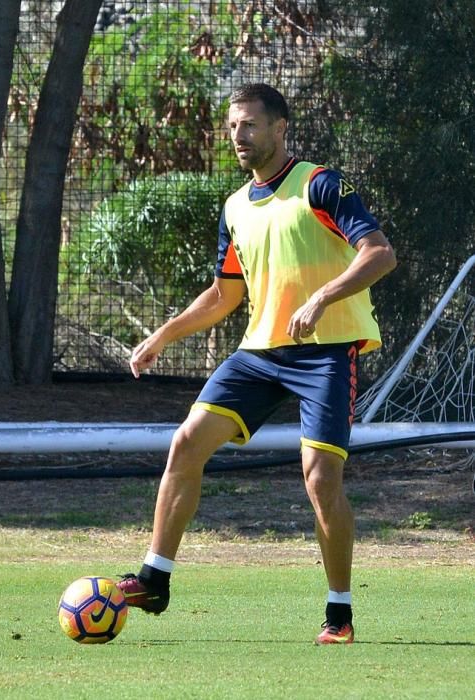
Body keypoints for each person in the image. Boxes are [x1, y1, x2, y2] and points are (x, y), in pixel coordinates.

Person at [117, 83, 396, 645]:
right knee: (186, 443)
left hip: (325, 352)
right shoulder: (235, 206)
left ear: (279, 129)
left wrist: (321, 299)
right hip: (260, 352)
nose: (238, 136)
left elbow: (380, 253)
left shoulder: (320, 185)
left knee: (320, 481)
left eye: (249, 125)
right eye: (232, 126)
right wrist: (162, 335)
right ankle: (155, 578)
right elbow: (224, 296)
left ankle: (339, 612)